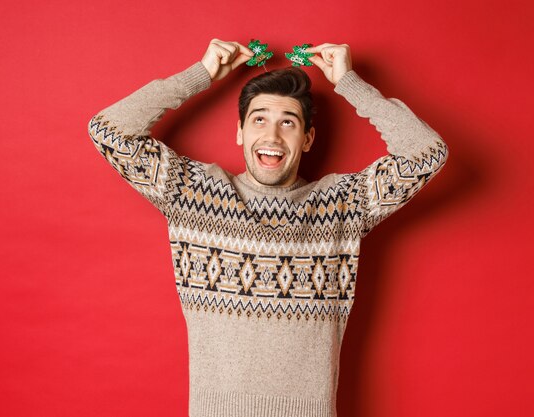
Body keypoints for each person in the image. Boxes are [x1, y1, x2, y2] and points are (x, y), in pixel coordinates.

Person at [88, 39, 448, 417]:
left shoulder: (343, 205)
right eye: (259, 119)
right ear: (240, 132)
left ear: (307, 138)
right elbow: (109, 131)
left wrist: (349, 82)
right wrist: (201, 75)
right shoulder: (193, 194)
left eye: (287, 123)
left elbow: (425, 152)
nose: (272, 137)